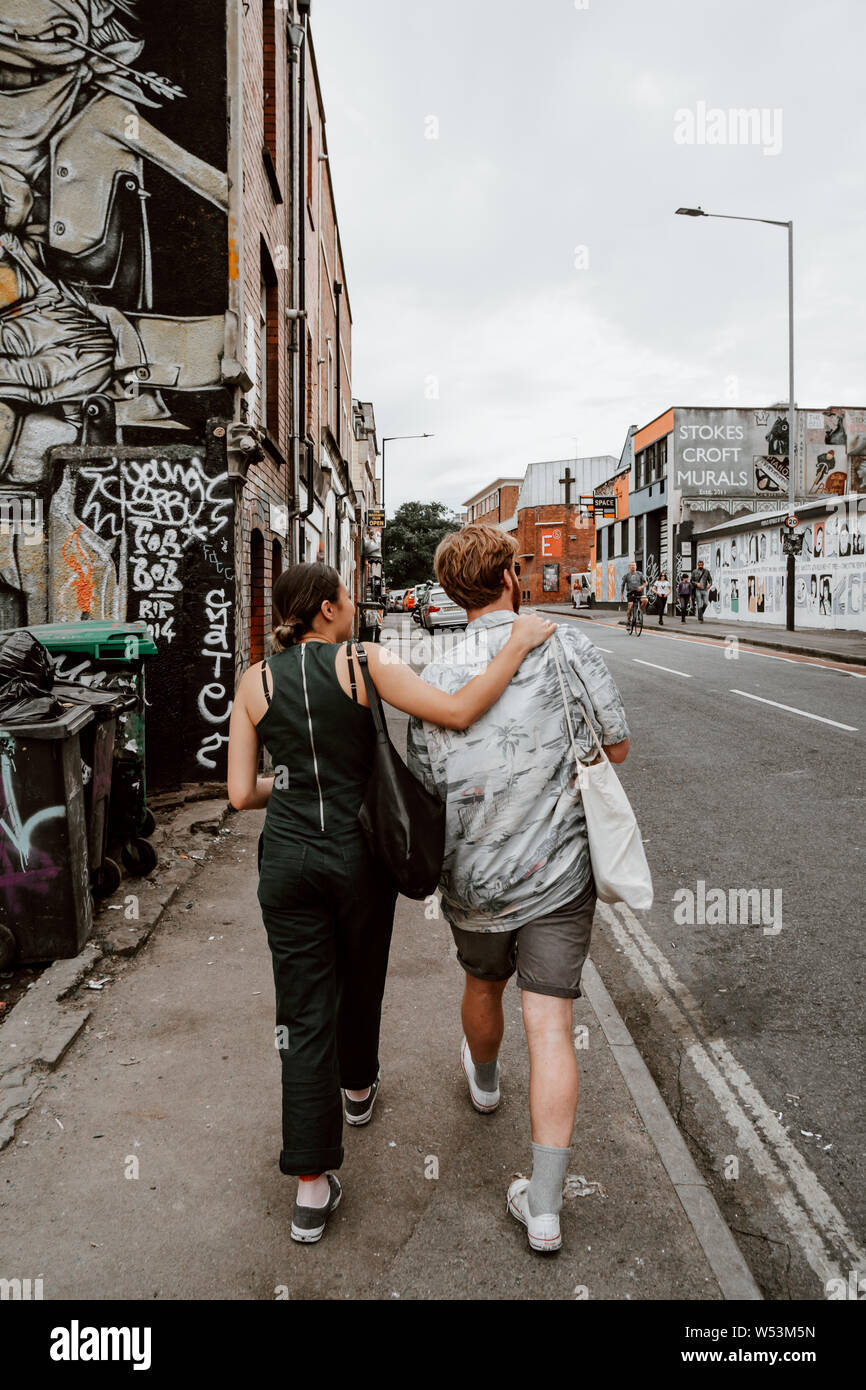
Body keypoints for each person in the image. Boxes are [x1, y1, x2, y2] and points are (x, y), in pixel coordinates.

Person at [227, 561, 555, 1244]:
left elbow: (238, 794)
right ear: (323, 610)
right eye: (345, 597)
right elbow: (460, 709)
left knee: (301, 1009)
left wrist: (291, 788)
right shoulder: (363, 663)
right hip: (356, 856)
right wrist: (518, 645)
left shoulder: (253, 683)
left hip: (286, 861)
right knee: (361, 976)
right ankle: (356, 1091)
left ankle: (311, 1190)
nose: (353, 604)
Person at [406, 526, 630, 1254]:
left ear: (450, 592)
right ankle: (544, 1209)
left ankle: (486, 1083)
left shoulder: (432, 675)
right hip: (561, 875)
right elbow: (616, 744)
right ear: (510, 578)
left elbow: (425, 782)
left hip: (471, 877)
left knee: (481, 982)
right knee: (553, 1026)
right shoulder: (565, 646)